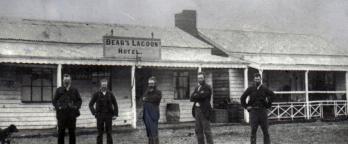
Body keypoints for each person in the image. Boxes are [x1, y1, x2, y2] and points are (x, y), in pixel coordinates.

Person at [240, 73, 274, 144]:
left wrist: (268, 105)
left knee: (265, 131)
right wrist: (246, 106)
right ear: (253, 80)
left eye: (258, 79)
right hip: (253, 112)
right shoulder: (250, 89)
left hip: (262, 112)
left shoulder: (264, 89)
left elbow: (272, 95)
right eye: (255, 79)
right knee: (253, 131)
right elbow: (242, 98)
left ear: (260, 79)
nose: (257, 81)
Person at [52, 74, 82, 144]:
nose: (66, 82)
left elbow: (79, 101)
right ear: (63, 81)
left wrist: (76, 107)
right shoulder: (59, 90)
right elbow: (54, 101)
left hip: (72, 116)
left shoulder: (74, 90)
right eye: (65, 80)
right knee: (61, 134)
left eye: (68, 80)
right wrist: (58, 107)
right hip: (61, 116)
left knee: (72, 133)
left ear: (70, 81)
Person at [89, 78, 118, 144]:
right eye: (103, 84)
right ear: (101, 85)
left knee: (109, 133)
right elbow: (90, 104)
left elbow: (115, 104)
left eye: (105, 84)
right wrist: (94, 113)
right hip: (99, 115)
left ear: (107, 85)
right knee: (100, 133)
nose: (104, 86)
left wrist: (115, 114)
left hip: (108, 115)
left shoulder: (110, 94)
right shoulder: (97, 94)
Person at [190, 72, 214, 144]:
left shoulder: (207, 87)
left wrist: (196, 95)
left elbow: (203, 96)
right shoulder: (197, 87)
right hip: (197, 111)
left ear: (204, 78)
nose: (199, 79)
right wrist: (198, 95)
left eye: (201, 78)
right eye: (198, 78)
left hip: (204, 111)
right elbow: (191, 98)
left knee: (207, 131)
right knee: (198, 130)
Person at [142, 76, 162, 144]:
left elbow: (155, 99)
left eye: (152, 83)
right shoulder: (147, 91)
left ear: (155, 83)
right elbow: (143, 98)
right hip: (146, 114)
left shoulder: (158, 92)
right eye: (149, 83)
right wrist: (147, 98)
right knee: (149, 132)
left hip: (153, 115)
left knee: (154, 132)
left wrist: (147, 99)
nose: (150, 85)